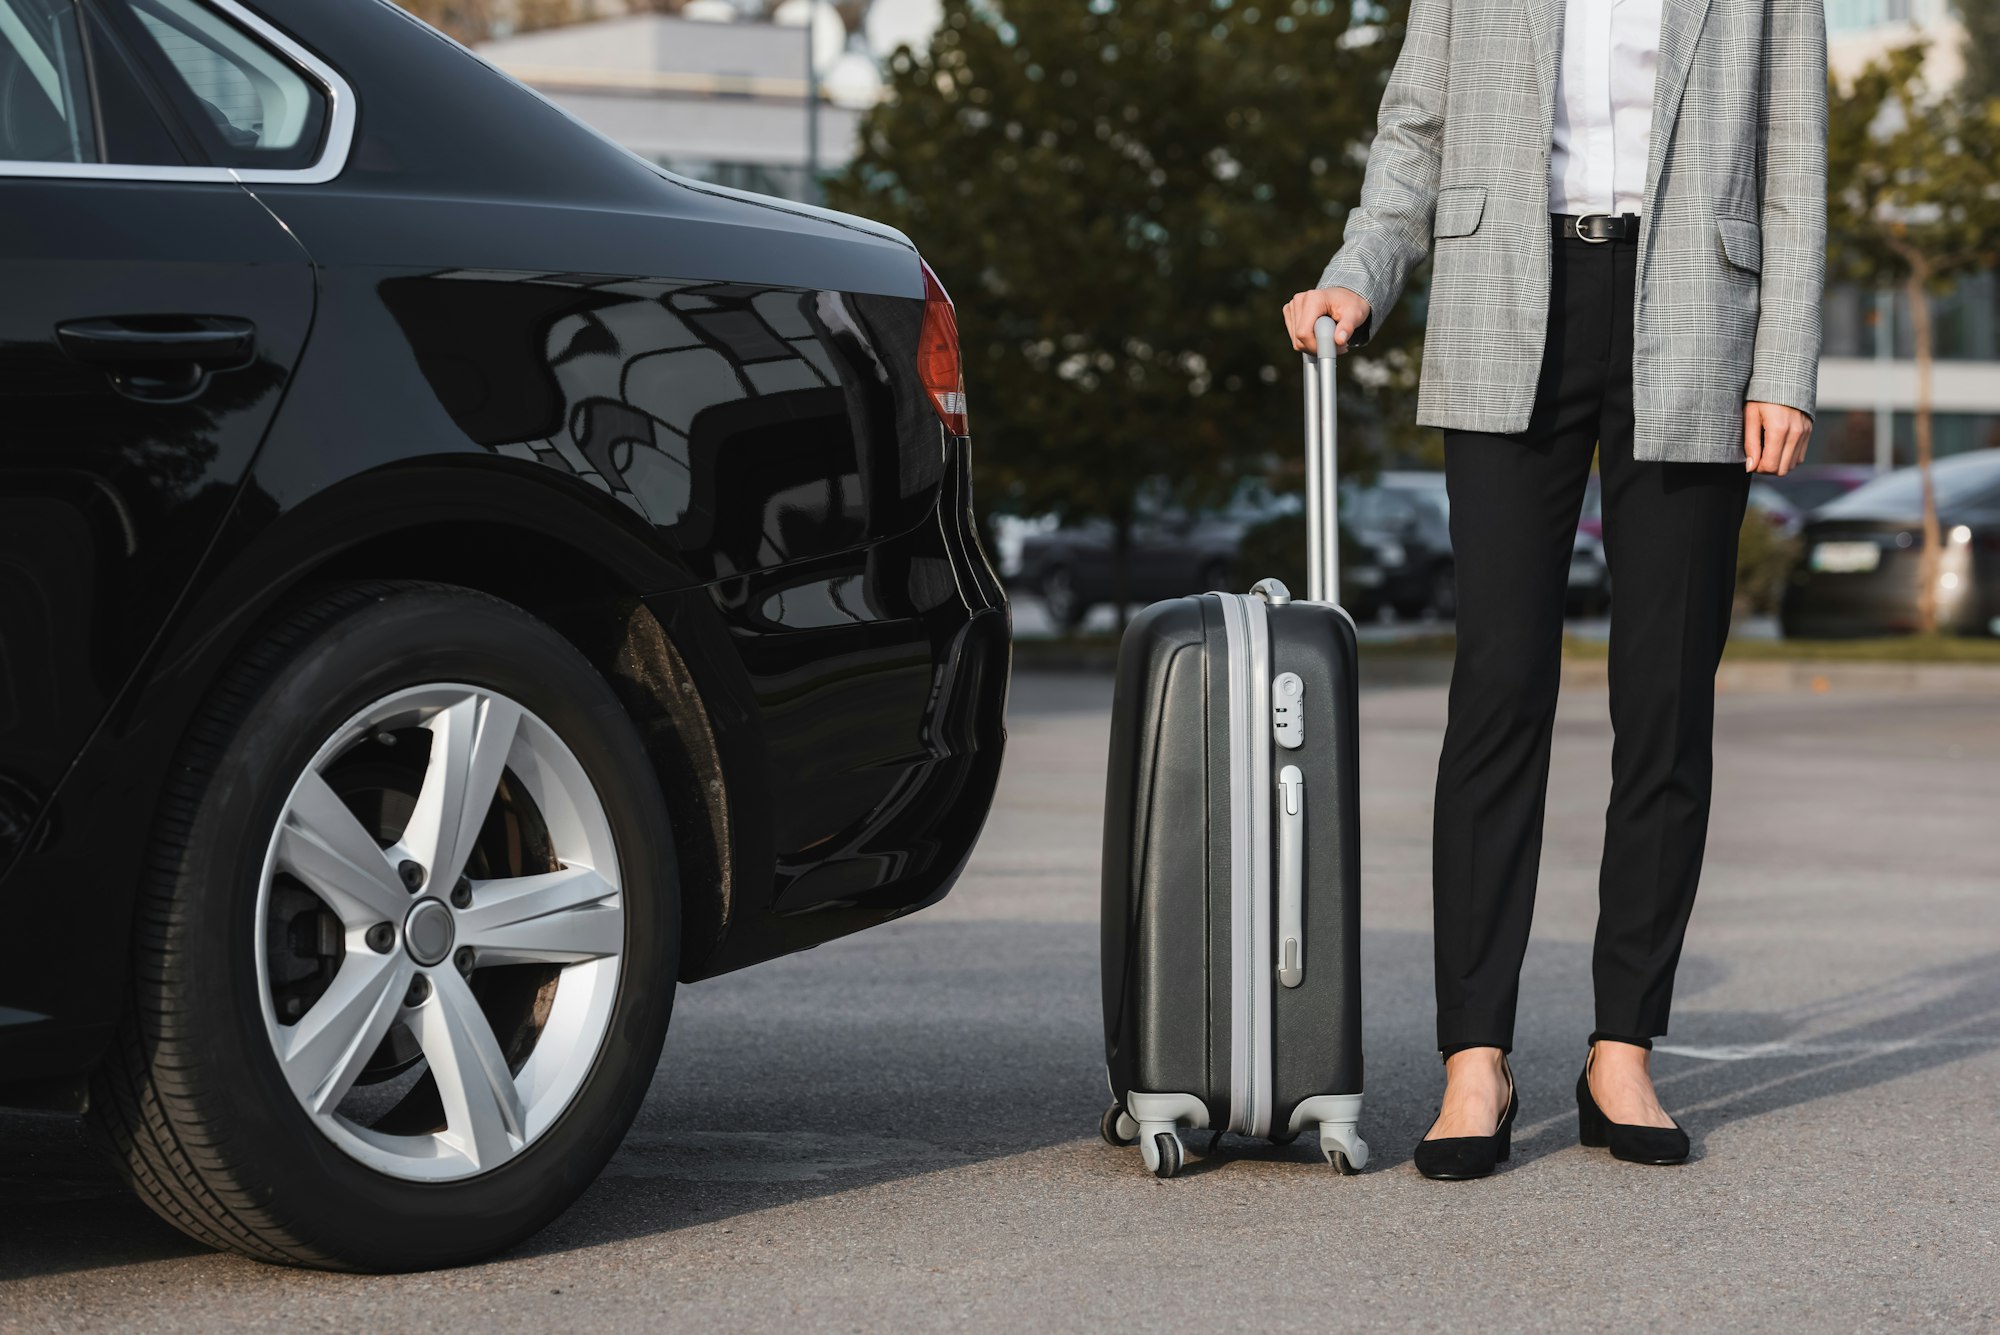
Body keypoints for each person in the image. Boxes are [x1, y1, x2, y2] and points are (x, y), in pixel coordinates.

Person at [1283, 0, 1827, 1178]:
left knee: (1665, 703)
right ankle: (1471, 1061)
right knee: (1495, 690)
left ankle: (1620, 1049)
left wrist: (1782, 363)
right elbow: (1415, 132)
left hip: (1695, 315)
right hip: (1503, 303)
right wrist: (1357, 275)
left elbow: (1794, 165)